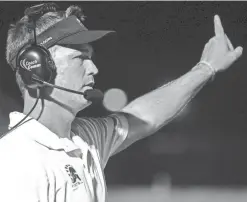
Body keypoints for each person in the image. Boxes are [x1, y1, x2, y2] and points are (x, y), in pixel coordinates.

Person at [0, 3, 243, 202]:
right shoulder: (17, 161)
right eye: (80, 58)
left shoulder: (83, 138)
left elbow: (144, 115)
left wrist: (206, 68)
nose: (93, 68)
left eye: (91, 57)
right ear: (37, 69)